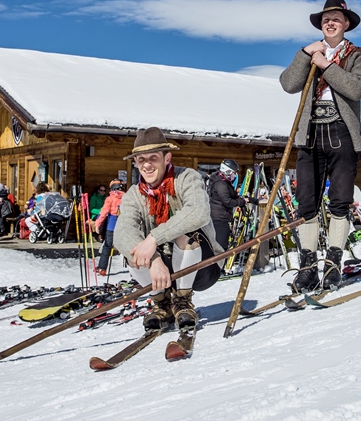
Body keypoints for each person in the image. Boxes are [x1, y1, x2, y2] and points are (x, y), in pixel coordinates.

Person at [279, 0, 361, 291]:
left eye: (336, 19)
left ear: (346, 24)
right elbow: (289, 84)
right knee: (307, 202)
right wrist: (306, 54)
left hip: (342, 132)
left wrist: (326, 66)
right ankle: (307, 266)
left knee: (340, 202)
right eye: (325, 19)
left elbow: (355, 88)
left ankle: (333, 263)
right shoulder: (310, 53)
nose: (330, 23)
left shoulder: (358, 55)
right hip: (311, 133)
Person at [114, 128, 223, 331]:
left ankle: (182, 303)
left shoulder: (187, 178)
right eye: (141, 159)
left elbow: (198, 212)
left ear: (167, 158)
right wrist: (153, 258)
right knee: (132, 251)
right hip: (162, 270)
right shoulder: (133, 195)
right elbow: (122, 232)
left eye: (153, 158)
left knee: (184, 236)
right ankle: (163, 305)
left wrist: (154, 238)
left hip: (201, 267)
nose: (147, 164)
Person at [208, 160, 250, 251]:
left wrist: (241, 199)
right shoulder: (220, 184)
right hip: (219, 219)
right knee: (221, 247)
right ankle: (218, 264)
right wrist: (241, 202)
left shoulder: (222, 181)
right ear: (228, 171)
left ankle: (218, 263)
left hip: (219, 217)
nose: (234, 175)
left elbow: (230, 196)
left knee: (220, 245)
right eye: (234, 172)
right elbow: (227, 201)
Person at [94, 179, 126, 274]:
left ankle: (102, 268)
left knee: (107, 246)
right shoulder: (127, 197)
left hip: (112, 224)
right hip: (123, 224)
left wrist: (97, 224)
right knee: (126, 246)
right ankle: (134, 269)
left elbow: (103, 213)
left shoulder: (110, 199)